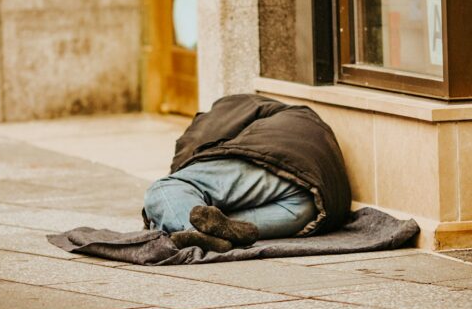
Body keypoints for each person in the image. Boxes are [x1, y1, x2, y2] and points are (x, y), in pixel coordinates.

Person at [143, 94, 352, 252]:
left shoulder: (227, 108)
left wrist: (170, 196)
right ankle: (211, 235)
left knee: (165, 188)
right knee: (218, 223)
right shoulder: (294, 116)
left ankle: (191, 232)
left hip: (278, 162)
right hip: (313, 206)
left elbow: (191, 151)